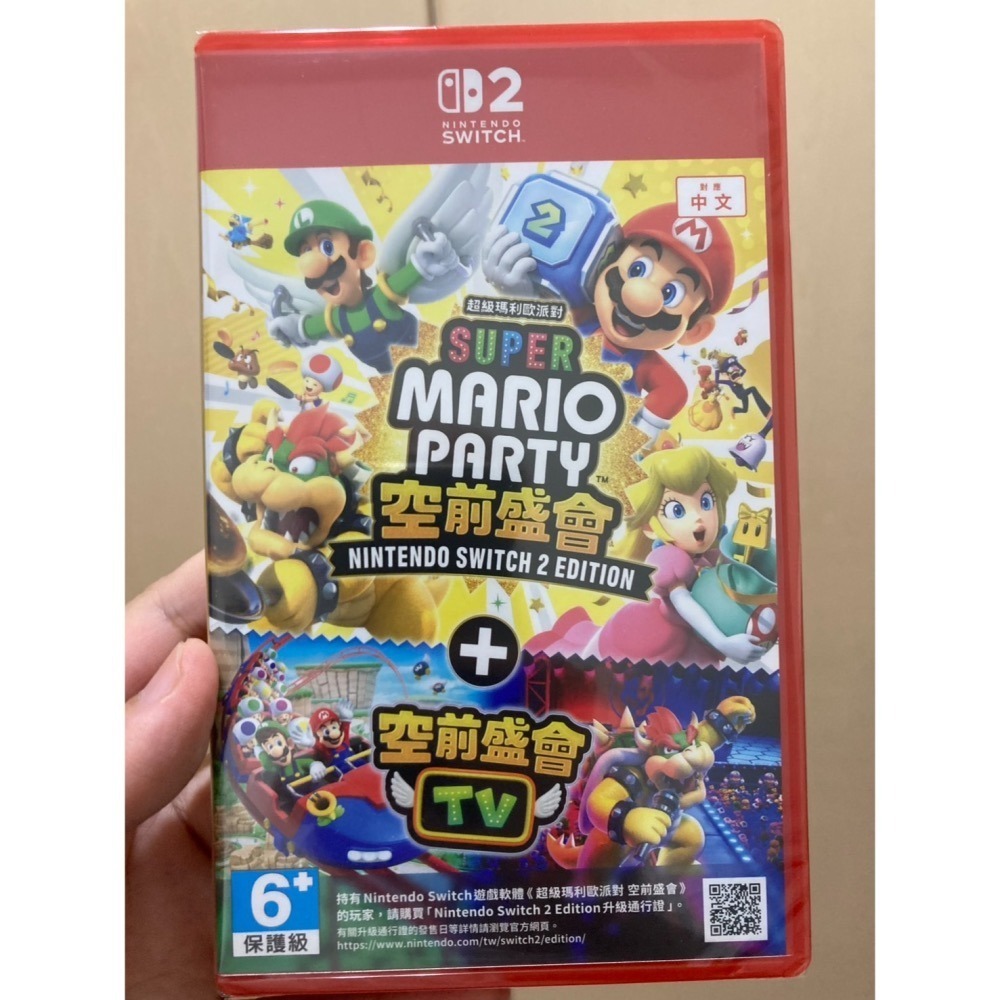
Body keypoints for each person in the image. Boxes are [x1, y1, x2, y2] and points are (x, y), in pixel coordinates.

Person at [125, 554, 508, 1000]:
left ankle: (449, 879)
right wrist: (307, 775)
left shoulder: (337, 746)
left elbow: (347, 756)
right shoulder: (282, 768)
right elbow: (287, 778)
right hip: (312, 809)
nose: (281, 747)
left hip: (357, 792)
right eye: (273, 745)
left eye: (330, 730)